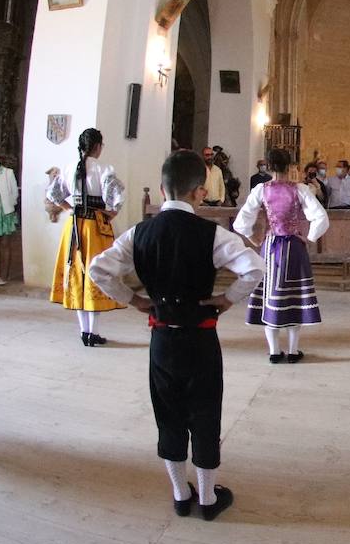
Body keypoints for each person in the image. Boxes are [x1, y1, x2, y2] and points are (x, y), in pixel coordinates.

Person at [88, 150, 266, 520]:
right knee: (204, 414)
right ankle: (207, 498)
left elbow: (98, 270)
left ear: (160, 188)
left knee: (168, 415)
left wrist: (134, 300)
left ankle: (179, 492)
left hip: (162, 340)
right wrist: (226, 299)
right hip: (200, 339)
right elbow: (254, 268)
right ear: (200, 192)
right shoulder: (213, 234)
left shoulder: (139, 233)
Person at [232, 147, 327, 363]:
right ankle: (293, 352)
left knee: (270, 295)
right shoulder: (300, 189)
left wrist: (253, 239)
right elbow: (320, 217)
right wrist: (310, 238)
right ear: (290, 166)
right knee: (293, 297)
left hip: (271, 245)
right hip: (294, 246)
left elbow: (241, 221)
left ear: (269, 165)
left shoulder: (261, 189)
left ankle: (274, 352)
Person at [49, 128, 126, 345]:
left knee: (76, 272)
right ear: (98, 147)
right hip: (94, 227)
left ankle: (84, 331)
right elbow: (117, 199)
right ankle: (93, 331)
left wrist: (70, 209)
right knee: (96, 272)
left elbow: (54, 194)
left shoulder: (68, 167)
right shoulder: (103, 169)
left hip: (73, 226)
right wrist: (109, 214)